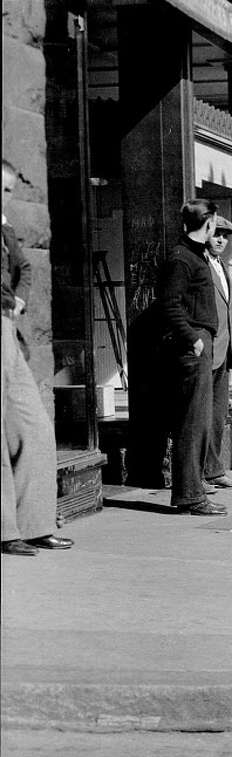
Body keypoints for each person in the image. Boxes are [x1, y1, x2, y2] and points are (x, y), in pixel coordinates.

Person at [1, 159, 74, 555]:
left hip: (7, 331)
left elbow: (25, 267)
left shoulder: (5, 227)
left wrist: (20, 298)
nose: (3, 196)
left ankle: (34, 523)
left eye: (7, 190)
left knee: (36, 429)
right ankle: (5, 531)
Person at [158, 199, 225, 516]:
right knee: (192, 423)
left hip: (200, 342)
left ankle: (192, 492)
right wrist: (193, 339)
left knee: (197, 423)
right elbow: (169, 304)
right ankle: (190, 495)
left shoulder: (194, 255)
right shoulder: (182, 258)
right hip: (193, 345)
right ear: (209, 223)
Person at [203, 216, 232, 492]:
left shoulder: (221, 267)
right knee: (200, 417)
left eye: (225, 236)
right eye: (216, 235)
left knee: (217, 415)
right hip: (204, 353)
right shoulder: (199, 265)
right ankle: (196, 475)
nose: (221, 240)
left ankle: (213, 470)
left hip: (223, 352)